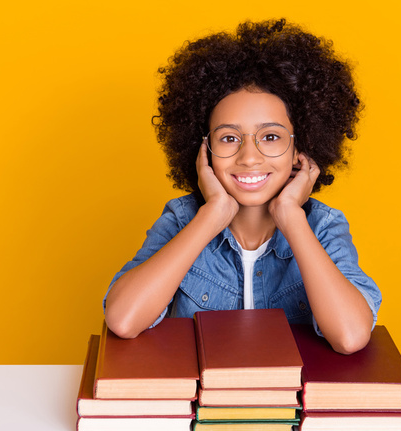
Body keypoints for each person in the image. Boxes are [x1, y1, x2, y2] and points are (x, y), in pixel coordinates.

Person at [104, 18, 381, 354]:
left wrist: (291, 216)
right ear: (204, 149)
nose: (249, 157)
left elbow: (350, 337)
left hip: (286, 403)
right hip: (207, 402)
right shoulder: (181, 219)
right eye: (229, 138)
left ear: (300, 149)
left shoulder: (323, 226)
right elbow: (122, 319)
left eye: (271, 136)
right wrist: (212, 215)